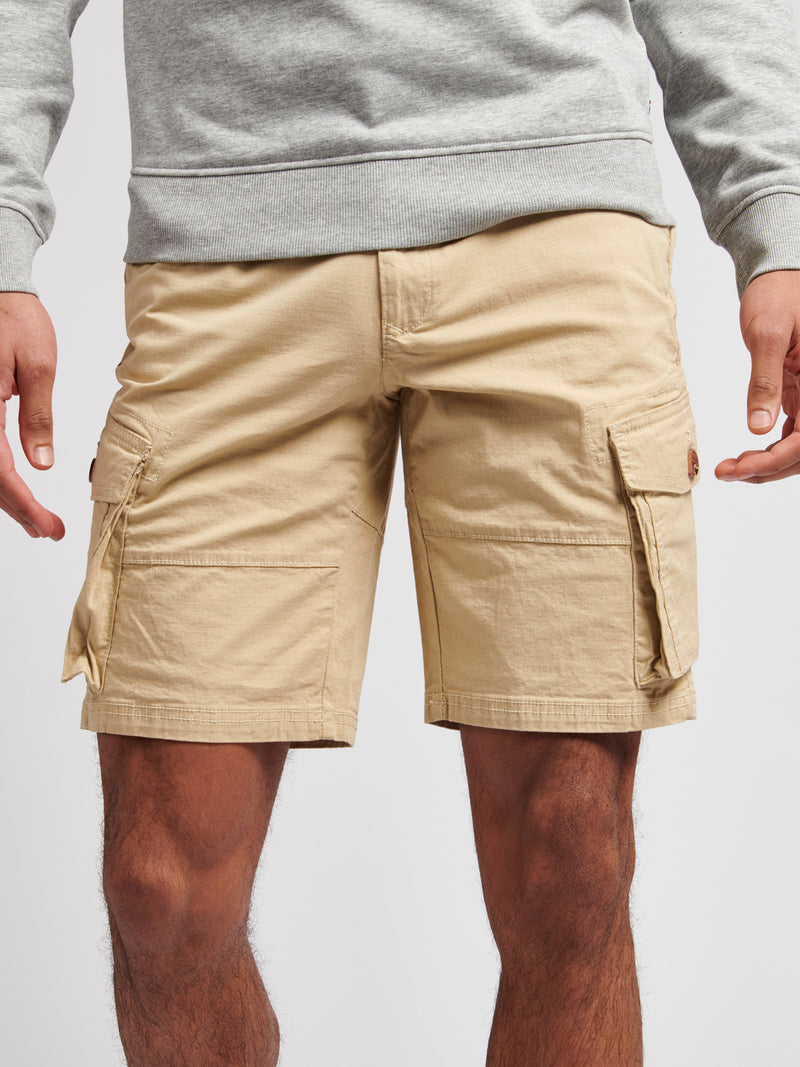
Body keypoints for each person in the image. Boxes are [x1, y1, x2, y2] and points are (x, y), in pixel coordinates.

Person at [2, 0, 799, 1063]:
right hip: (224, 232)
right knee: (161, 892)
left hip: (553, 218)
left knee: (571, 862)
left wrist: (778, 217)